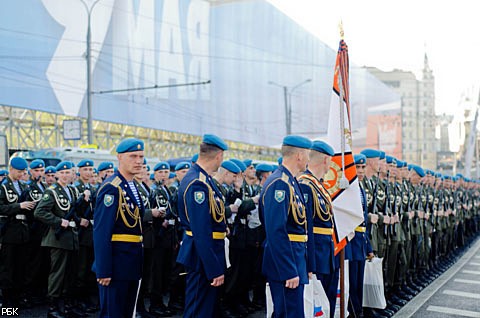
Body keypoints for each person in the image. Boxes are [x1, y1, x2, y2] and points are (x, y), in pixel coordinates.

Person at [176, 134, 228, 318]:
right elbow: (201, 231)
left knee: (206, 309)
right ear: (219, 156)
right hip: (202, 257)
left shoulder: (203, 179)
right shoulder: (197, 183)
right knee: (198, 310)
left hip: (207, 254)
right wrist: (213, 268)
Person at [259, 135, 311, 317]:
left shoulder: (289, 181)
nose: (308, 160)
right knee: (288, 313)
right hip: (285, 262)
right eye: (307, 155)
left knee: (290, 312)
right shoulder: (279, 184)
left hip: (294, 258)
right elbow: (276, 231)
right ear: (299, 155)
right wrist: (289, 270)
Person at [92, 138, 145, 317]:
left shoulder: (131, 185)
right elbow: (101, 231)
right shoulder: (111, 188)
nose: (138, 161)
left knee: (127, 312)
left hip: (131, 259)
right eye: (133, 156)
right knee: (113, 313)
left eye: (141, 156)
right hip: (116, 263)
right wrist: (104, 269)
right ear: (120, 157)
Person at [34, 161, 90, 318]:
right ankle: (52, 307)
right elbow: (39, 212)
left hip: (71, 237)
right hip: (57, 238)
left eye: (68, 173)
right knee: (58, 273)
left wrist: (83, 204)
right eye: (63, 173)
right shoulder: (51, 191)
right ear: (57, 174)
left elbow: (73, 212)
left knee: (70, 273)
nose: (66, 175)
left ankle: (66, 305)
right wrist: (58, 221)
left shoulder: (71, 191)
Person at [298, 140, 338, 318]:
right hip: (316, 254)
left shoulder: (319, 185)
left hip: (326, 252)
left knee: (327, 300)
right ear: (326, 160)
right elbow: (307, 226)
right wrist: (310, 263)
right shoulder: (306, 185)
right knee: (317, 303)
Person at [0, 157, 36, 310]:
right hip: (9, 231)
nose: (22, 174)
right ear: (11, 170)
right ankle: (7, 301)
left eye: (23, 172)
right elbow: (1, 207)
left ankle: (18, 297)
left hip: (23, 231)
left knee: (21, 266)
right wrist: (19, 205)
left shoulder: (23, 186)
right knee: (8, 267)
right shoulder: (3, 187)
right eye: (19, 172)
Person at [348, 154, 374, 318]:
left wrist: (368, 247)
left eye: (363, 167)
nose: (361, 170)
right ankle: (354, 313)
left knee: (358, 282)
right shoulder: (349, 189)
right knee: (351, 282)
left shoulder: (360, 188)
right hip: (351, 243)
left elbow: (363, 221)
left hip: (361, 241)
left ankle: (359, 311)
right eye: (357, 167)